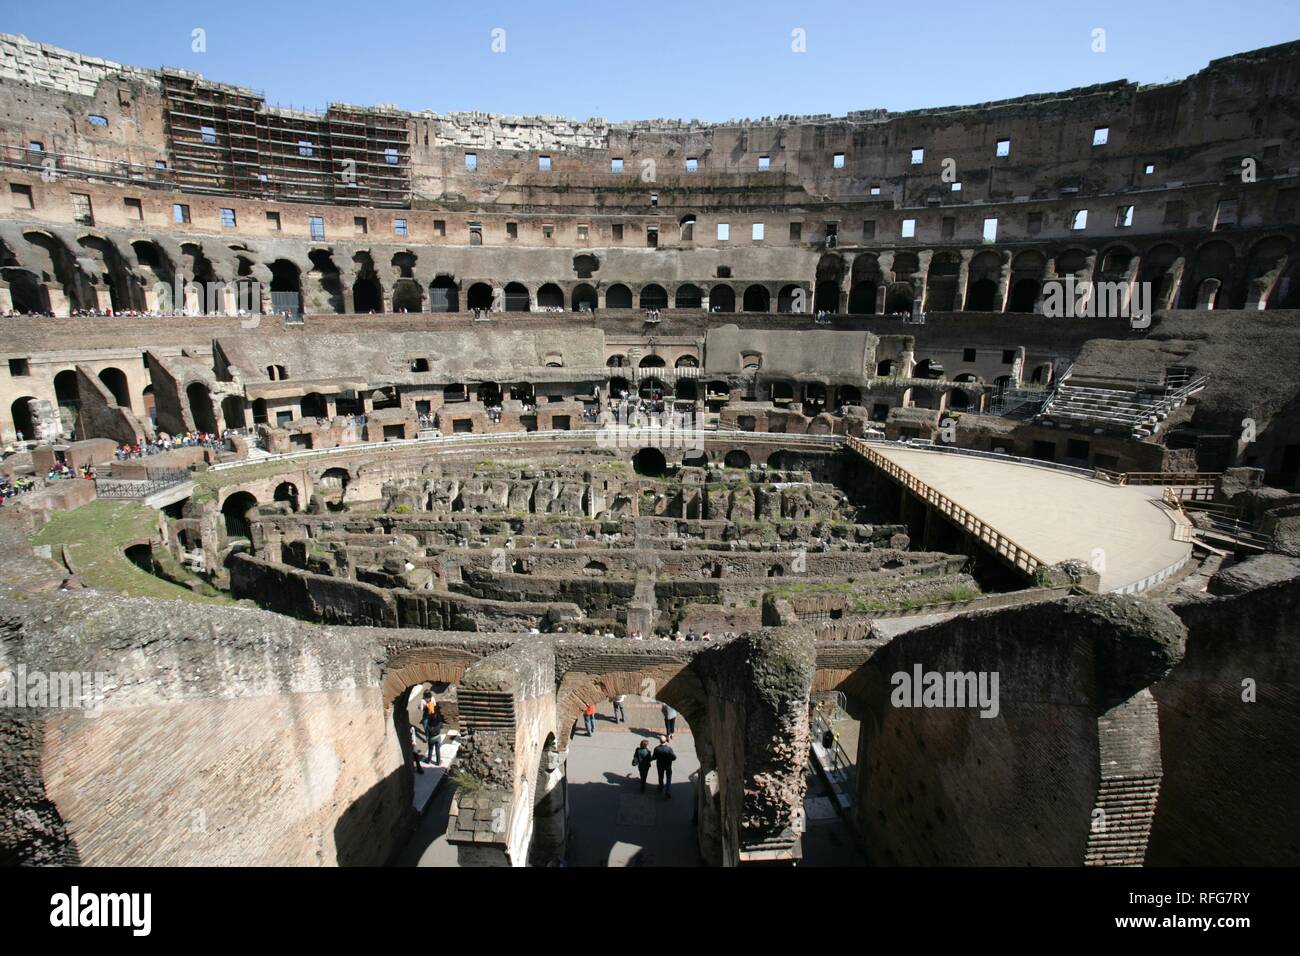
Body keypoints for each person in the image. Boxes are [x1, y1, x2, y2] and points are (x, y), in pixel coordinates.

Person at [420, 690, 444, 766]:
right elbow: (441, 725)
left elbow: (428, 731)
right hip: (438, 738)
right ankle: (438, 762)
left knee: (430, 750)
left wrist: (428, 736)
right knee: (438, 750)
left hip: (431, 739)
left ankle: (428, 760)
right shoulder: (438, 724)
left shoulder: (429, 725)